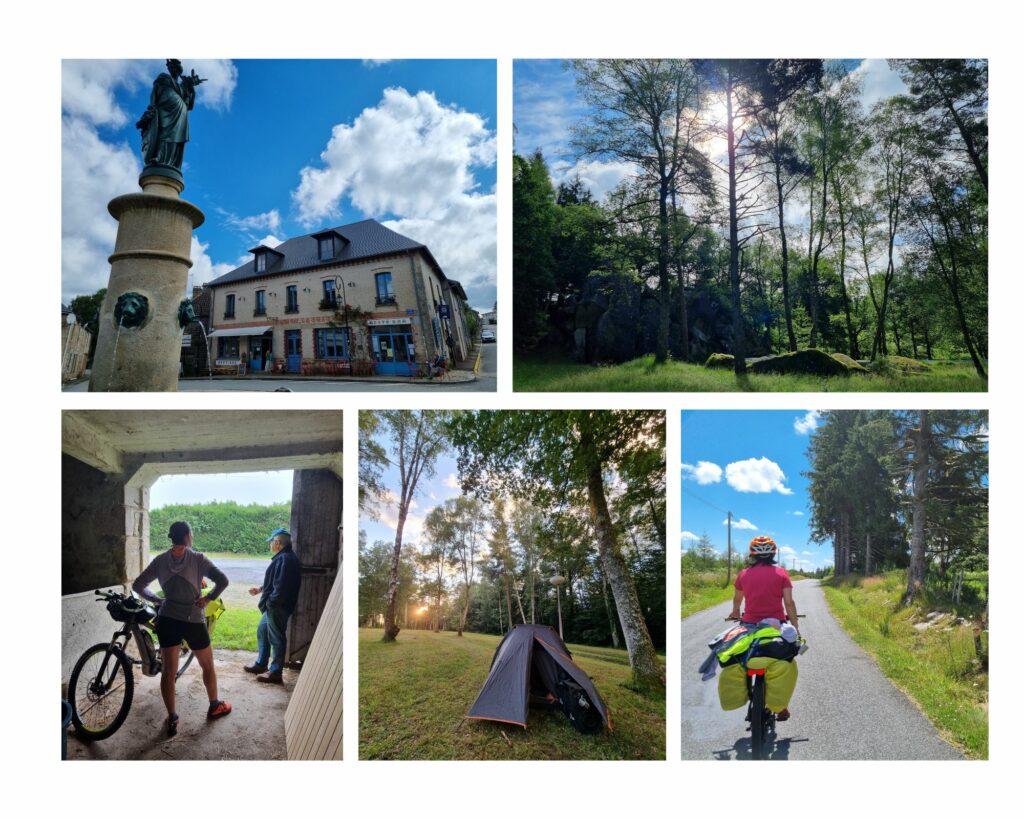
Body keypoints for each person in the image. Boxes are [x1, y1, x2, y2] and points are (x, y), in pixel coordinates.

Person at [132, 521, 231, 736]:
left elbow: (138, 586)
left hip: (167, 618)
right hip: (193, 620)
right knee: (207, 666)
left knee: (168, 671)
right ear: (187, 536)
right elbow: (223, 581)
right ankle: (215, 705)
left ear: (172, 537)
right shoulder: (198, 558)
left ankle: (173, 717)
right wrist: (208, 599)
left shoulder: (159, 561)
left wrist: (157, 599)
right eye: (191, 534)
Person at [727, 535, 800, 720]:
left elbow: (738, 599)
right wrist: (795, 626)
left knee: (741, 657)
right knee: (784, 660)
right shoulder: (781, 573)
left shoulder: (743, 574)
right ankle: (780, 706)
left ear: (752, 554)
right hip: (775, 626)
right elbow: (789, 603)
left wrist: (735, 611)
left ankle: (746, 692)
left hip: (749, 625)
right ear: (773, 553)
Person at [244, 527, 302, 684]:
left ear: (277, 543)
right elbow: (275, 582)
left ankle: (276, 672)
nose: (270, 544)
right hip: (274, 605)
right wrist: (260, 589)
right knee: (263, 631)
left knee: (276, 638)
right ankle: (261, 664)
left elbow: (282, 587)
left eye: (271, 541)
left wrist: (271, 603)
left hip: (277, 607)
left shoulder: (286, 559)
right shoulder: (283, 557)